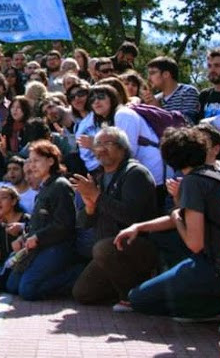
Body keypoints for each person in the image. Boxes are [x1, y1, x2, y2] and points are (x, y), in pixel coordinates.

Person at [117, 127, 220, 319]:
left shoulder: (193, 182)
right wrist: (139, 226)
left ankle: (215, 308)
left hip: (215, 266)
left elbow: (194, 243)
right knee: (162, 238)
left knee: (139, 299)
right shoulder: (219, 176)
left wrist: (177, 215)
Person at [69, 127, 159, 308]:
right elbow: (84, 223)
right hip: (110, 253)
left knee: (103, 248)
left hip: (138, 246)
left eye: (108, 144)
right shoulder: (100, 177)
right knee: (82, 293)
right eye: (97, 145)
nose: (101, 149)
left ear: (123, 148)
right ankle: (137, 289)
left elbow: (131, 216)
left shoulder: (135, 173)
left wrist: (97, 196)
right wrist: (90, 207)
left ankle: (132, 297)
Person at [2, 140, 80, 300]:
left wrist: (38, 238)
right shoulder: (43, 188)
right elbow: (38, 223)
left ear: (51, 161)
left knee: (28, 290)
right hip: (40, 246)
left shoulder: (60, 186)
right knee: (12, 286)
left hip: (58, 246)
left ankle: (77, 275)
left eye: (36, 161)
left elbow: (64, 225)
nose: (32, 166)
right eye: (30, 161)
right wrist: (24, 237)